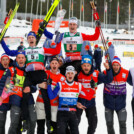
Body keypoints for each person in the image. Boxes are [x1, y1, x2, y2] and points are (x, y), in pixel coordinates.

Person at [0, 31, 62, 132]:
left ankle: (49, 122)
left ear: (35, 39)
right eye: (29, 37)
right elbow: (9, 52)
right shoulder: (23, 50)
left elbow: (56, 51)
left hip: (40, 74)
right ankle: (24, 121)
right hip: (29, 75)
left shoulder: (41, 49)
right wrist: (1, 41)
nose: (31, 39)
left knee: (47, 98)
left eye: (33, 37)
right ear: (27, 40)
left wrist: (58, 41)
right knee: (25, 94)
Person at [47, 65, 94, 134]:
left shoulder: (78, 85)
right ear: (66, 74)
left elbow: (89, 97)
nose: (70, 75)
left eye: (72, 73)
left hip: (72, 114)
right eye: (68, 73)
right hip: (62, 113)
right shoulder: (60, 84)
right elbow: (51, 96)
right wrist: (48, 85)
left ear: (74, 74)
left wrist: (92, 87)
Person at [0, 51, 37, 134]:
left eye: (22, 58)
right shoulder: (11, 70)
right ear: (16, 59)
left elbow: (35, 87)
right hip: (15, 100)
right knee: (14, 123)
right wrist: (1, 96)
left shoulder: (29, 71)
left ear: (25, 59)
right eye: (19, 58)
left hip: (28, 100)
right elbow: (3, 84)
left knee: (33, 121)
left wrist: (30, 89)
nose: (21, 59)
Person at [76, 55, 113, 134]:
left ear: (91, 65)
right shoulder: (77, 73)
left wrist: (108, 69)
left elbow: (108, 79)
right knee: (74, 123)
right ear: (81, 66)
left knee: (93, 124)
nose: (86, 67)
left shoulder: (96, 74)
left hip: (91, 102)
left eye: (88, 65)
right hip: (79, 101)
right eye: (84, 65)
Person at [36, 56, 65, 134]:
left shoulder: (62, 78)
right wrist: (38, 85)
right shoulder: (45, 73)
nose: (54, 65)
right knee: (40, 125)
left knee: (52, 127)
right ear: (50, 64)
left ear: (58, 65)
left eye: (56, 63)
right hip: (41, 102)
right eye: (52, 63)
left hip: (54, 105)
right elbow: (34, 84)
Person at [103, 56, 132, 134]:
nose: (115, 67)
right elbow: (97, 80)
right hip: (108, 104)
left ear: (120, 65)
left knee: (122, 124)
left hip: (121, 104)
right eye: (114, 65)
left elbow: (132, 83)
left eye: (117, 65)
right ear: (111, 66)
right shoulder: (106, 72)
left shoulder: (125, 73)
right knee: (109, 125)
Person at [0, 54, 11, 134]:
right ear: (1, 61)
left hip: (11, 100)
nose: (5, 61)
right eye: (3, 59)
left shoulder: (12, 70)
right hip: (2, 102)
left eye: (6, 59)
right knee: (1, 122)